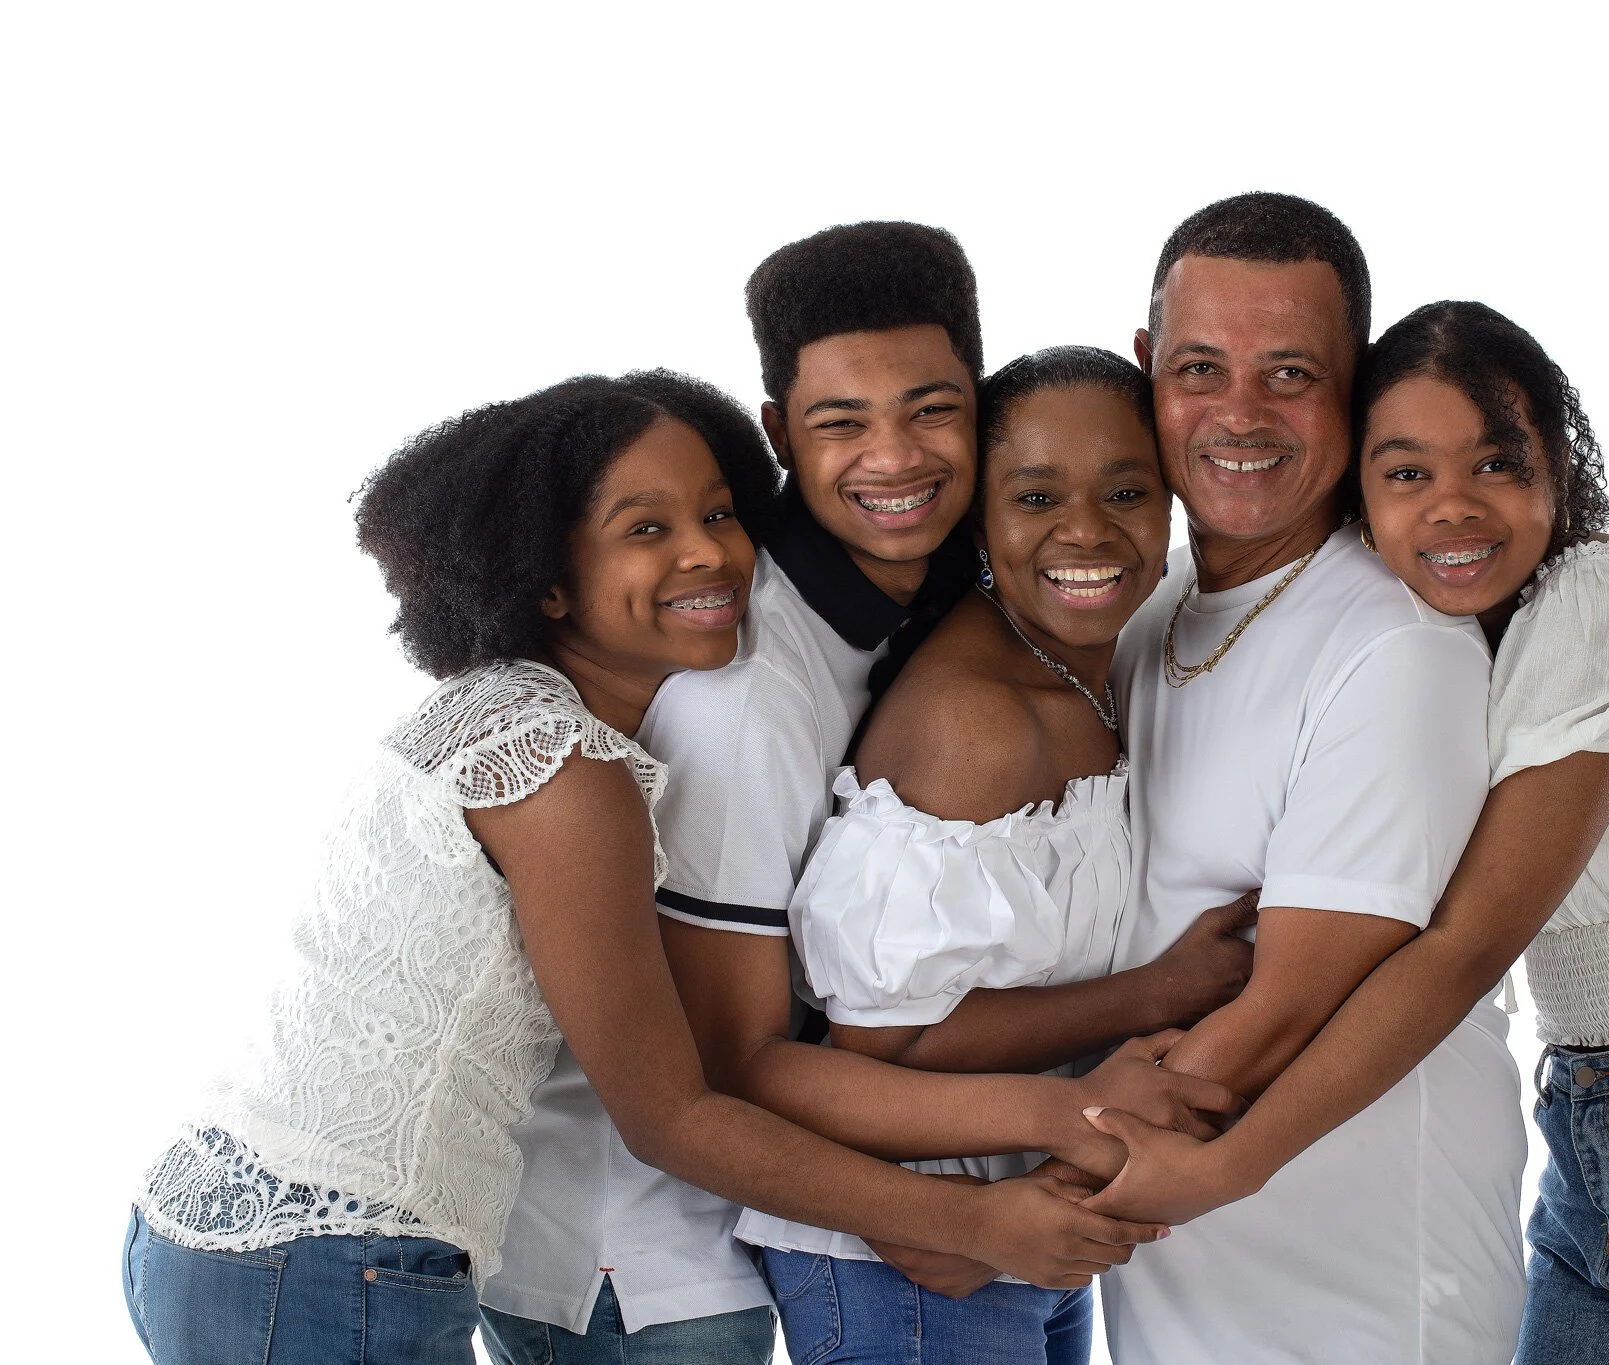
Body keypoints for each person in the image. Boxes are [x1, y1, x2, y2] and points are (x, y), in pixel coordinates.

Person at [122, 370, 1177, 1365]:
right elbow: (670, 1112)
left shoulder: (505, 713)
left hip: (234, 1220)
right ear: (543, 580)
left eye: (719, 515)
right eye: (645, 530)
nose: (711, 558)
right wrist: (960, 1218)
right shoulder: (563, 774)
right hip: (327, 1251)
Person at [1089, 300, 1609, 1364]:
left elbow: (1462, 945)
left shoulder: (1597, 601)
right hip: (1592, 1121)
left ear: (1559, 471)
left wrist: (1228, 1165)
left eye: (1496, 465)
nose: (1453, 509)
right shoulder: (1425, 629)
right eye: (1406, 475)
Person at [481, 228, 1245, 1364]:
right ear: (780, 434)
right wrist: (959, 1202)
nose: (892, 458)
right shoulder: (744, 688)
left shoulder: (957, 587)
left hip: (852, 1213)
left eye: (930, 412)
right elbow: (730, 1067)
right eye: (842, 422)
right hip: (646, 1261)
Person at [1091, 194, 1528, 1363]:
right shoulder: (1143, 614)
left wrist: (991, 1206)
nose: (1238, 413)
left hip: (1362, 1306)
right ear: (1146, 370)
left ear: (1355, 384)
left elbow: (1280, 1014)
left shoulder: (1396, 647)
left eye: (1288, 372)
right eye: (1199, 367)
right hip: (1170, 1285)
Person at [748, 346, 1234, 1364]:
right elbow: (881, 1046)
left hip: (1019, 1223)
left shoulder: (1101, 665)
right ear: (980, 518)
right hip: (913, 1248)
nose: (1086, 530)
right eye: (1035, 495)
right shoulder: (981, 722)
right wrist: (1155, 992)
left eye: (1127, 491)